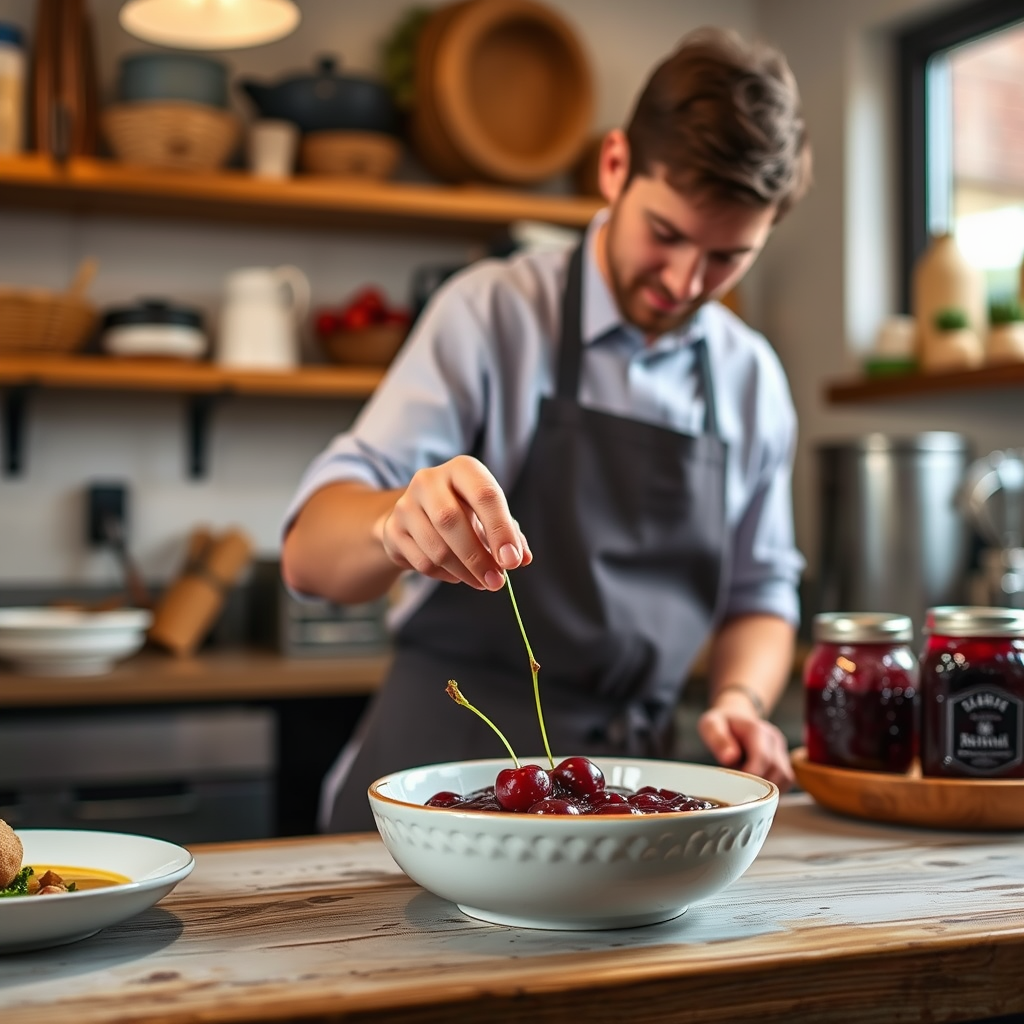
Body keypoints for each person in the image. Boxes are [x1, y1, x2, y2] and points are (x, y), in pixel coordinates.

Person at [282, 25, 813, 833]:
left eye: (726, 258)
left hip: (630, 805)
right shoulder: (492, 312)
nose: (683, 281)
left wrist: (739, 701)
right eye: (665, 235)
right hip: (440, 789)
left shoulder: (752, 378)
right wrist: (395, 523)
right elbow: (309, 556)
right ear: (614, 167)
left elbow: (761, 592)